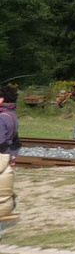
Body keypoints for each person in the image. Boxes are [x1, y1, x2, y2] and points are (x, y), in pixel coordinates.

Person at [0, 84, 20, 220]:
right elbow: (16, 141)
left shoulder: (2, 117)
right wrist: (13, 155)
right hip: (5, 158)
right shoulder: (12, 114)